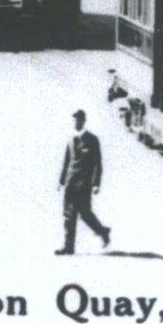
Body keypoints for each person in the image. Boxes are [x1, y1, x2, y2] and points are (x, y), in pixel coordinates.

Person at [56, 109, 111, 255]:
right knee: (68, 214)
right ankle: (68, 247)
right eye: (74, 121)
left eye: (79, 121)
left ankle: (103, 231)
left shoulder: (92, 140)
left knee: (85, 213)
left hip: (83, 183)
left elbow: (98, 163)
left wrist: (96, 183)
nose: (76, 123)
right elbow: (66, 161)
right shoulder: (70, 139)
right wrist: (61, 181)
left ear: (83, 122)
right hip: (70, 183)